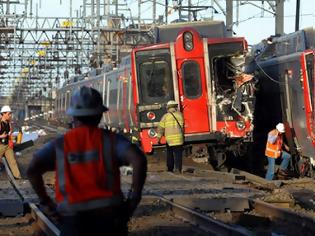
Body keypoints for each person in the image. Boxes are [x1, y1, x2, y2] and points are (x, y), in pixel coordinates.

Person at [27, 86, 147, 236]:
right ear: (99, 115)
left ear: (73, 116)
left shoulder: (60, 145)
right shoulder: (111, 141)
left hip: (72, 217)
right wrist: (134, 198)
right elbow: (138, 159)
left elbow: (32, 169)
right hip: (109, 216)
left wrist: (46, 201)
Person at [157, 100, 184, 173]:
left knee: (170, 154)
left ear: (168, 108)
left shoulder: (165, 116)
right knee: (178, 154)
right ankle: (178, 168)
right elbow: (182, 126)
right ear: (176, 107)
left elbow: (160, 128)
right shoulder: (180, 115)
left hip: (170, 140)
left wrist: (158, 138)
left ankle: (170, 168)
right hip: (179, 139)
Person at [0, 105, 22, 179]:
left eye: (10, 114)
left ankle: (18, 177)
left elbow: (8, 134)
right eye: (9, 114)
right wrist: (0, 136)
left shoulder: (8, 123)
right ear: (3, 114)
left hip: (7, 146)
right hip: (0, 145)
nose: (10, 115)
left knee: (13, 162)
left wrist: (11, 138)